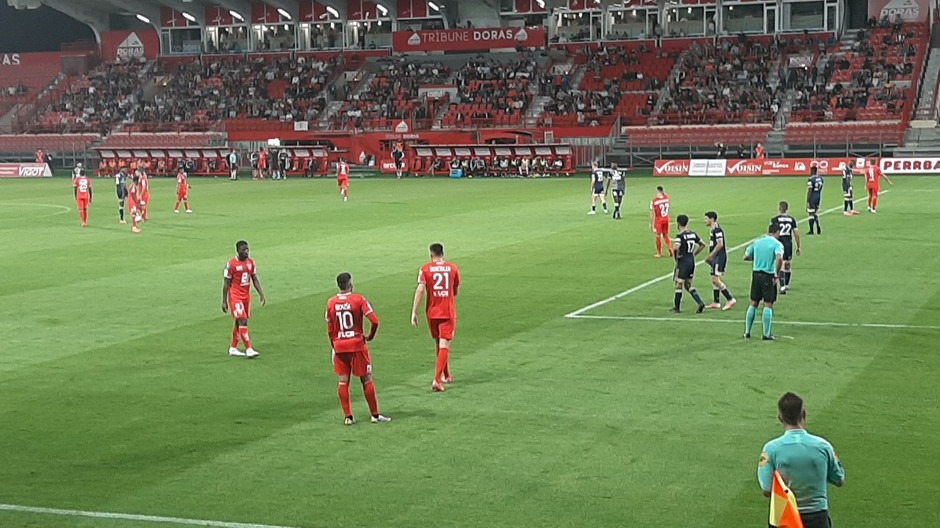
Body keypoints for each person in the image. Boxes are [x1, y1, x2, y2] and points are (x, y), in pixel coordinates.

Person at [758, 392, 845, 528]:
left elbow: (766, 489)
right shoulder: (824, 446)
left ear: (780, 418)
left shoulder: (771, 449)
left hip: (785, 517)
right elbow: (839, 479)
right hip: (817, 517)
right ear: (804, 414)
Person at [326, 272, 391, 425]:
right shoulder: (358, 299)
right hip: (356, 345)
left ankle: (348, 417)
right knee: (366, 379)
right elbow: (375, 321)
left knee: (343, 381)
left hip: (339, 345)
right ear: (350, 284)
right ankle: (375, 415)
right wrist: (370, 336)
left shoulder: (331, 303)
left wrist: (334, 346)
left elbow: (330, 328)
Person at [411, 243, 461, 392]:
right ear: (443, 253)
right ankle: (437, 380)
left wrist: (414, 312)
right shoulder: (453, 268)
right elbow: (456, 290)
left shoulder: (425, 268)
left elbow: (420, 290)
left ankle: (446, 375)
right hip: (447, 311)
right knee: (444, 344)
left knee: (438, 342)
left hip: (432, 312)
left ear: (431, 254)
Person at [222, 240, 267, 359]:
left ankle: (233, 348)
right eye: (243, 250)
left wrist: (261, 294)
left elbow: (254, 279)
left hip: (246, 297)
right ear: (237, 251)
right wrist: (224, 301)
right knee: (242, 320)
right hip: (235, 296)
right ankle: (249, 348)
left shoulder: (250, 263)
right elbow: (226, 283)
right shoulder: (231, 264)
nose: (246, 252)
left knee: (239, 322)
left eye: (247, 249)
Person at [743, 222, 784, 340]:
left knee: (754, 302)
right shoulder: (777, 244)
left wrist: (757, 259)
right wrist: (776, 274)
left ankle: (747, 332)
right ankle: (766, 334)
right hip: (768, 275)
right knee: (768, 303)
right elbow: (779, 258)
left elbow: (746, 256)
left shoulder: (757, 242)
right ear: (777, 232)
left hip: (756, 274)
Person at [671, 214, 706, 313]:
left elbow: (675, 247)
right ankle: (700, 302)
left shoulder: (680, 236)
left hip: (683, 262)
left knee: (679, 283)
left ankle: (677, 308)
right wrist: (694, 254)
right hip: (691, 261)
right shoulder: (693, 234)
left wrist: (676, 256)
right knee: (688, 284)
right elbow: (703, 244)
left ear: (678, 223)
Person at [703, 211, 736, 310]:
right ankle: (716, 302)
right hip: (716, 257)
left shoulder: (717, 230)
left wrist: (711, 255)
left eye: (706, 219)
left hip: (719, 257)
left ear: (712, 219)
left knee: (715, 279)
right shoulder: (713, 229)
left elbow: (720, 244)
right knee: (714, 278)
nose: (705, 221)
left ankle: (730, 299)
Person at [771, 201, 801, 294]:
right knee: (787, 264)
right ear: (787, 209)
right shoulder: (791, 219)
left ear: (779, 208)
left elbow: (771, 232)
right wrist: (798, 246)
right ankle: (786, 284)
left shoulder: (775, 219)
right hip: (788, 244)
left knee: (781, 264)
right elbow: (796, 233)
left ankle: (782, 286)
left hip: (779, 243)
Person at [650, 186, 672, 258]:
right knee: (665, 235)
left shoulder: (654, 201)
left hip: (659, 220)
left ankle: (659, 253)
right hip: (666, 219)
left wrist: (652, 224)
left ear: (658, 191)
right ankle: (670, 250)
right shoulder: (667, 198)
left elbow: (652, 213)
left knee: (658, 236)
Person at [806, 165, 823, 235]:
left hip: (812, 197)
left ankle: (811, 230)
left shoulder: (811, 179)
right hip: (818, 196)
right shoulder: (820, 178)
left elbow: (809, 190)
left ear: (812, 171)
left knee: (811, 214)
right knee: (815, 213)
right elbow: (821, 188)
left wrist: (807, 201)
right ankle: (818, 226)